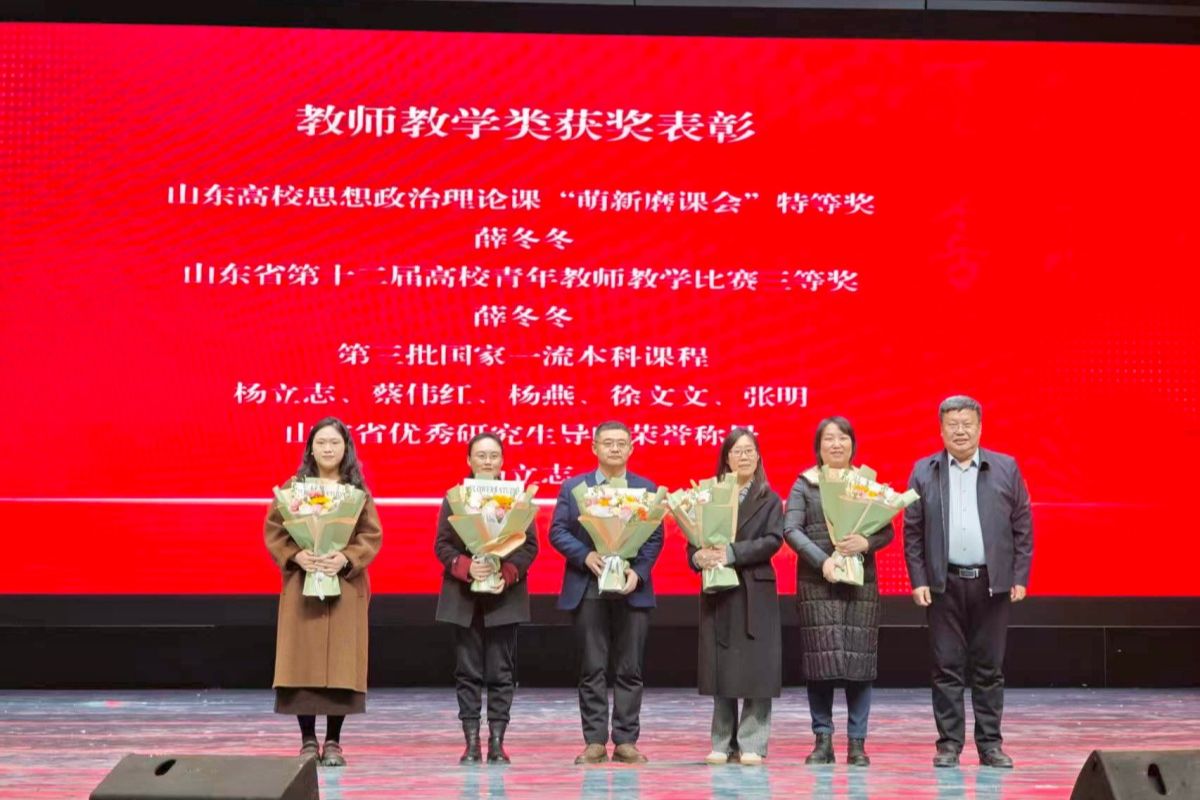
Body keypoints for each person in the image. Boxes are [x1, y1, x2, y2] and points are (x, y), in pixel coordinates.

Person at [903, 395, 1033, 769]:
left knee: (989, 668)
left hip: (992, 584)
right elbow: (912, 532)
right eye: (952, 425)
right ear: (941, 430)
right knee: (946, 667)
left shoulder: (1006, 467)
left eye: (967, 424)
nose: (960, 431)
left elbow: (1022, 526)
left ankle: (990, 745)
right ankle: (948, 745)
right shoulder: (924, 471)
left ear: (979, 427)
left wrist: (1018, 575)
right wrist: (918, 579)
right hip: (943, 585)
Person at [263, 416, 383, 767]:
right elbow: (275, 530)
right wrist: (296, 555)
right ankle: (307, 740)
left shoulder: (356, 491)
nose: (328, 449)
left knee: (340, 665)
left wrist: (345, 558)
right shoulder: (294, 488)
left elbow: (371, 535)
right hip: (303, 583)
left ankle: (333, 741)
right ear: (310, 449)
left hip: (344, 584)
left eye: (335, 443)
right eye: (321, 443)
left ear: (346, 449)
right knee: (303, 661)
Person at [549, 421, 664, 765]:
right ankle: (595, 741)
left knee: (630, 669)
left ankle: (626, 741)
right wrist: (585, 556)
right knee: (592, 668)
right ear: (594, 448)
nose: (615, 448)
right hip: (588, 587)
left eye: (621, 443)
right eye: (608, 443)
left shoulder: (646, 489)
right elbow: (557, 531)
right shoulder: (574, 487)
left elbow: (655, 537)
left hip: (631, 590)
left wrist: (638, 573)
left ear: (631, 448)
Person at [784, 416, 891, 767]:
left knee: (861, 662)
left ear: (852, 445)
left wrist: (866, 542)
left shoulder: (866, 484)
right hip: (818, 584)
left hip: (861, 583)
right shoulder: (805, 483)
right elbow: (791, 529)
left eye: (843, 438)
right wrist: (822, 562)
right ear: (818, 446)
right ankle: (823, 741)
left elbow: (887, 530)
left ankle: (857, 744)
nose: (836, 444)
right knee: (820, 662)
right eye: (828, 438)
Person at [435, 432, 539, 764]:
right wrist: (468, 567)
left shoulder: (518, 499)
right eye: (481, 455)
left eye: (494, 455)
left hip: (504, 597)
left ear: (502, 460)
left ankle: (497, 742)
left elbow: (529, 546)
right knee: (467, 672)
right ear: (469, 460)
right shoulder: (455, 497)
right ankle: (471, 743)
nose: (487, 461)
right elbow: (442, 545)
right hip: (463, 597)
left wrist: (504, 572)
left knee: (501, 671)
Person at [689, 428, 783, 766]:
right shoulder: (709, 495)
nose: (743, 457)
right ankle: (722, 740)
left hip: (754, 589)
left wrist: (730, 553)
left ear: (758, 457)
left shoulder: (769, 498)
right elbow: (693, 538)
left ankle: (752, 742)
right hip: (719, 589)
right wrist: (697, 557)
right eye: (737, 451)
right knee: (722, 666)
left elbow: (773, 540)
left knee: (758, 667)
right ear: (726, 458)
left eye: (749, 451)